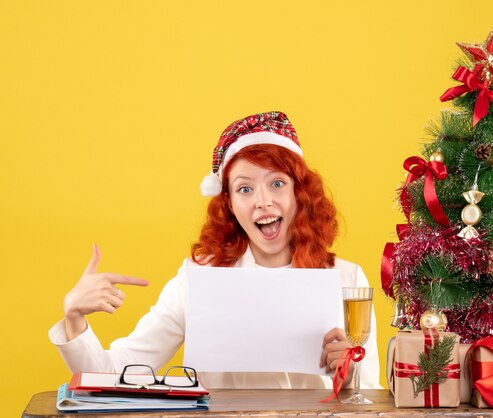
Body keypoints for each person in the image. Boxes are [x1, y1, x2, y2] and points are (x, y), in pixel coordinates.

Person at [49, 111, 380, 389]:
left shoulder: (346, 279)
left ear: (300, 194)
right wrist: (73, 317)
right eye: (245, 188)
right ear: (231, 206)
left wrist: (350, 374)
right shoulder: (198, 278)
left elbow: (371, 396)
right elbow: (114, 375)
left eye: (277, 183)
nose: (263, 201)